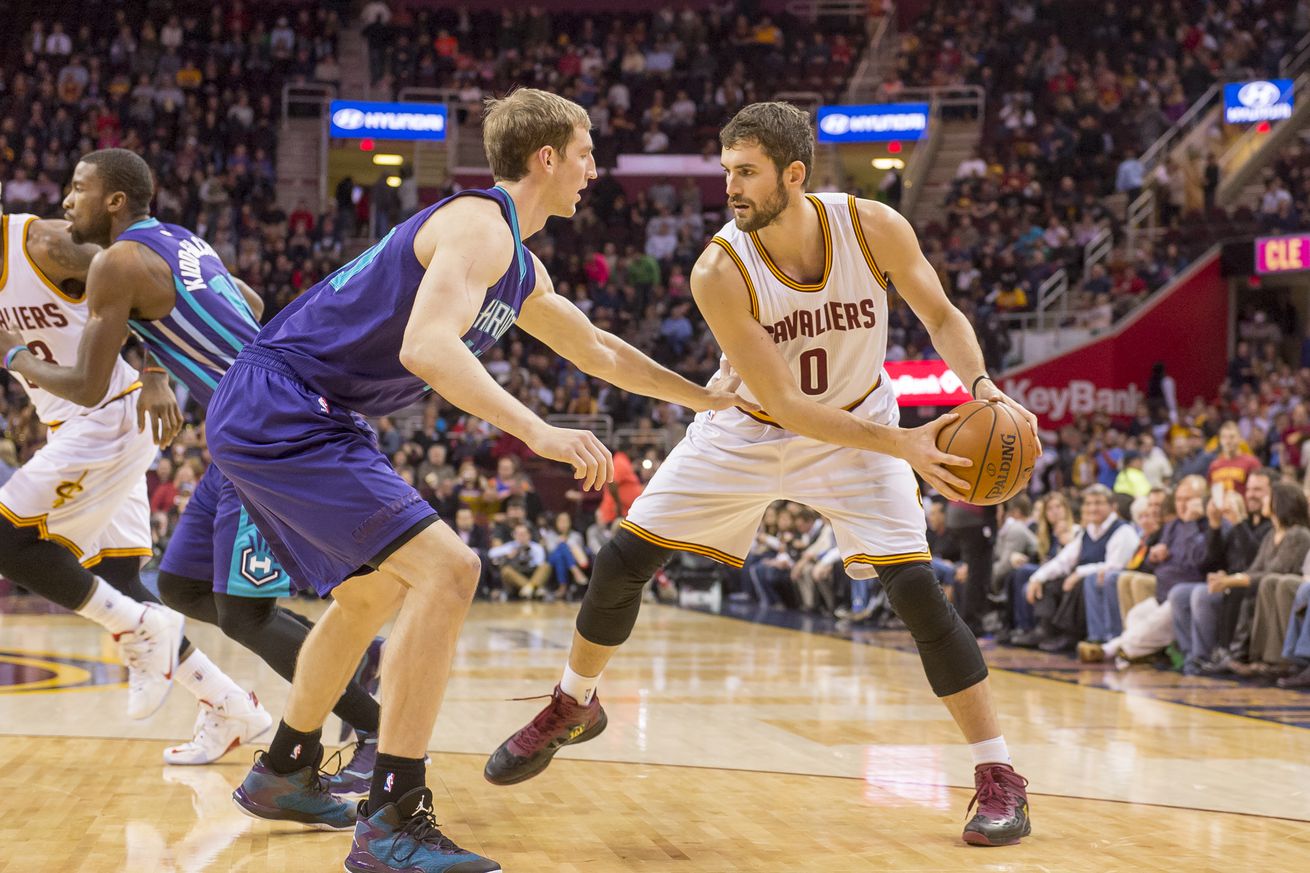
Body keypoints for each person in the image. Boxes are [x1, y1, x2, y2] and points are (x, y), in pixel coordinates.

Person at [203, 88, 744, 873]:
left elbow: (599, 349)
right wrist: (539, 430)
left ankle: (284, 767)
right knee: (450, 570)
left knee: (371, 594)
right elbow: (427, 345)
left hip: (286, 408)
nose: (596, 168)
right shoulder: (478, 225)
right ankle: (392, 815)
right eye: (587, 151)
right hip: (287, 404)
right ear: (547, 156)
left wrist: (704, 396)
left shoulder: (517, 265)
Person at [485, 101, 1042, 847]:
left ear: (794, 173)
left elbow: (940, 316)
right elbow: (783, 403)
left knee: (918, 596)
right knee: (622, 560)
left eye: (745, 172)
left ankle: (998, 774)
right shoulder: (719, 268)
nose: (731, 188)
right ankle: (574, 702)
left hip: (857, 424)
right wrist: (901, 442)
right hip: (751, 427)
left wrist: (981, 386)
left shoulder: (874, 227)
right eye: (726, 172)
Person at [2, 151, 383, 778]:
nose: (66, 201)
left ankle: (371, 726)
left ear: (115, 201)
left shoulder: (104, 258)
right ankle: (340, 660)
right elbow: (248, 297)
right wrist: (158, 361)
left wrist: (16, 355)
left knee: (243, 614)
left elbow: (89, 381)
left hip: (269, 433)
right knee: (179, 588)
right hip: (239, 432)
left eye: (78, 189)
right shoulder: (178, 240)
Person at [0, 208, 257, 739]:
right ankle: (229, 705)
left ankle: (139, 625)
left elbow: (180, 290)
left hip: (110, 417)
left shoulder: (46, 245)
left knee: (7, 540)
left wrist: (156, 370)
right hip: (72, 422)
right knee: (118, 581)